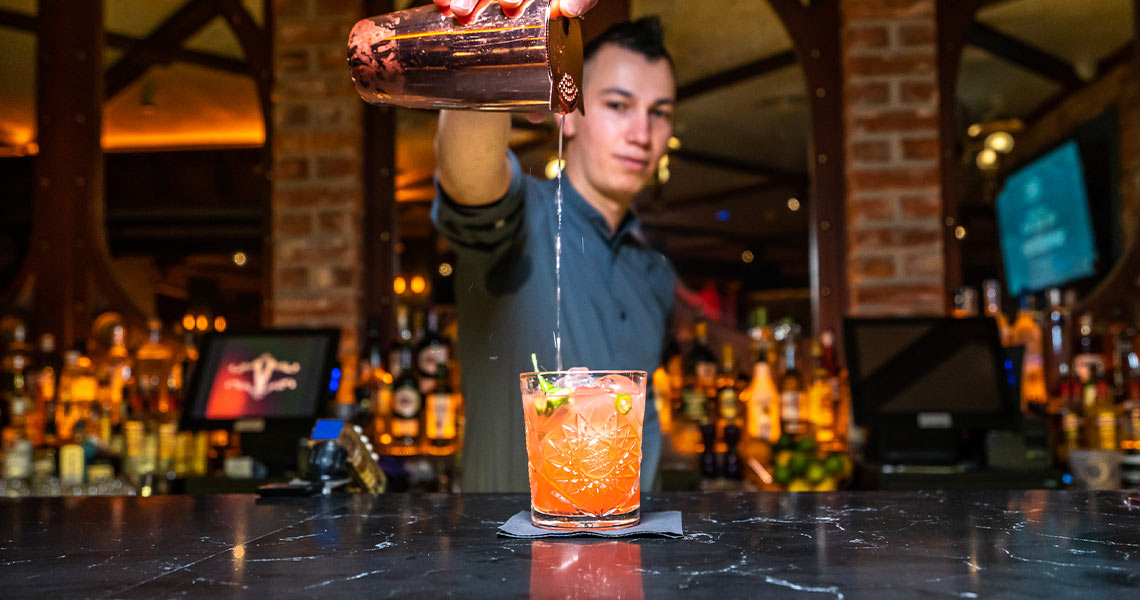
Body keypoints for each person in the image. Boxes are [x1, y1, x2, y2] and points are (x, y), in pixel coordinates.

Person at [431, 5, 677, 492]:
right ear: (569, 113)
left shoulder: (654, 273)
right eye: (618, 105)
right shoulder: (524, 216)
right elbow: (469, 175)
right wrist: (488, 41)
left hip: (629, 554)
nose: (642, 134)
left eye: (659, 113)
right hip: (508, 558)